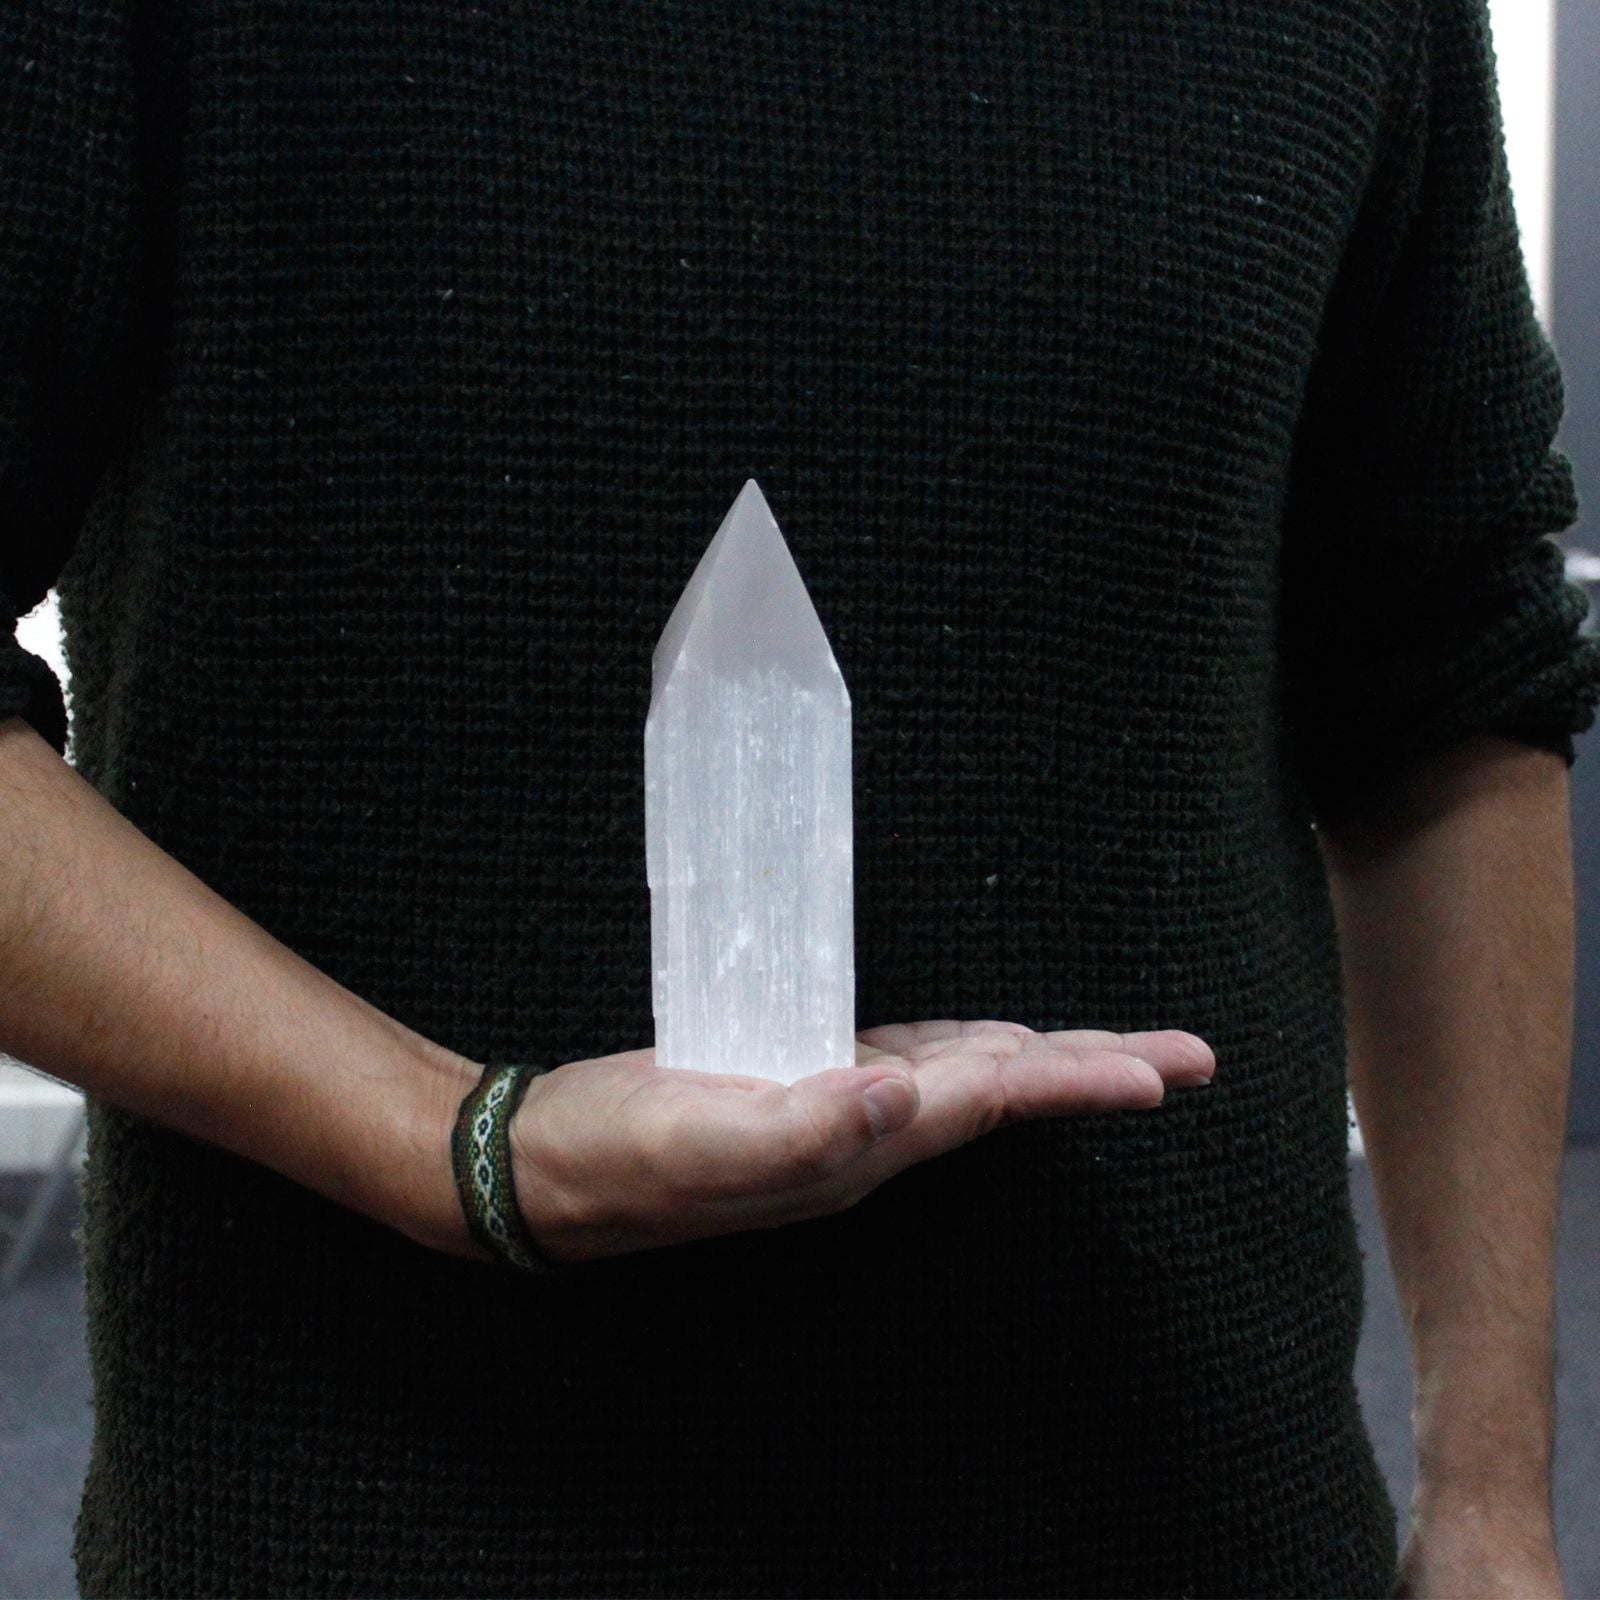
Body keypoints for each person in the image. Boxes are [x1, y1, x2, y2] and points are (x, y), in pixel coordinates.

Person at [0, 0, 1591, 1593]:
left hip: (1187, 1499)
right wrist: (460, 1140)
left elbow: (1449, 672)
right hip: (373, 1509)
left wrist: (1490, 1503)